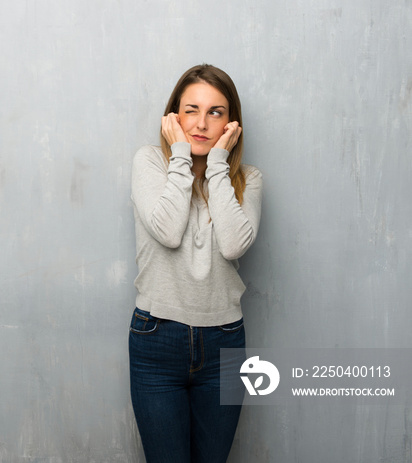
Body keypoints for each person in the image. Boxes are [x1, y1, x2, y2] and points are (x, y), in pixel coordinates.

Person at [128, 64, 262, 462]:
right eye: (191, 110)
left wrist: (219, 165)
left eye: (216, 112)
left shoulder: (248, 179)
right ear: (173, 117)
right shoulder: (150, 163)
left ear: (230, 123)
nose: (201, 123)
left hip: (225, 342)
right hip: (157, 339)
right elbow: (168, 231)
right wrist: (181, 156)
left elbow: (235, 245)